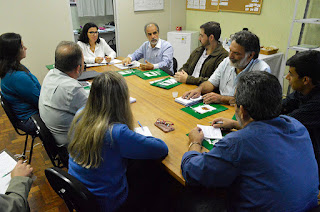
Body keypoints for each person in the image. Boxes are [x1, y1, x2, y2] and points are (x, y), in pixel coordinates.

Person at [181, 71, 319, 211]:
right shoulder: (296, 125)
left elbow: (192, 172)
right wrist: (237, 124)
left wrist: (195, 142)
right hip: (308, 207)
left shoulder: (237, 143)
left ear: (242, 111)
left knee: (195, 201)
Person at [68, 72, 168, 212]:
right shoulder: (116, 132)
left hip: (81, 194)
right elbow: (161, 148)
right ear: (122, 99)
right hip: (108, 202)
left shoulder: (81, 113)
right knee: (155, 173)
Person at [182, 30, 270, 105]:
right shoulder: (227, 61)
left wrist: (221, 98)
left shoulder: (261, 70)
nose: (230, 56)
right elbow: (211, 83)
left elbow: (250, 102)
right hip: (224, 108)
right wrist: (199, 89)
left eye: (236, 53)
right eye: (230, 50)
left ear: (250, 55)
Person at [39, 41, 88, 146]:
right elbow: (98, 115)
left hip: (56, 136)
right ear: (78, 68)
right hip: (75, 145)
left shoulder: (50, 74)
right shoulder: (73, 88)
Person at [282, 50, 320, 178]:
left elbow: (286, 122)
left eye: (291, 74)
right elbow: (281, 107)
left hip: (314, 164)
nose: (287, 77)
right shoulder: (303, 91)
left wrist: (240, 124)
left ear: (305, 80)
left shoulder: (317, 103)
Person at [0, 33, 41, 134]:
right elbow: (39, 102)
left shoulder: (10, 70)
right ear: (13, 52)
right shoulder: (17, 77)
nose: (25, 48)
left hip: (27, 115)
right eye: (22, 46)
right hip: (31, 120)